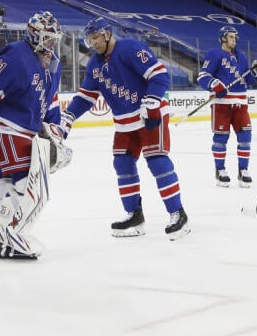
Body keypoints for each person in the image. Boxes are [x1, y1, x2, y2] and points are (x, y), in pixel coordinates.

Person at [60, 17, 190, 240]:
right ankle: (134, 216)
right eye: (89, 40)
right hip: (124, 123)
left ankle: (178, 214)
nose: (93, 44)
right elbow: (86, 96)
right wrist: (69, 116)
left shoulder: (130, 48)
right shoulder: (94, 64)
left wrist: (151, 101)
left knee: (157, 161)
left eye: (95, 38)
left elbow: (158, 74)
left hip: (149, 115)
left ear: (107, 33)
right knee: (122, 163)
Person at [0, 11, 63, 260]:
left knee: (3, 184)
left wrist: (54, 130)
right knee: (29, 185)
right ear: (34, 36)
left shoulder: (52, 64)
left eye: (54, 40)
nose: (52, 45)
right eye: (47, 39)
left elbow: (50, 101)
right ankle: (9, 235)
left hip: (26, 133)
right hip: (9, 130)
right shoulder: (17, 55)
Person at [196, 25, 257, 188]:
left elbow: (248, 81)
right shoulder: (214, 54)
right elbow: (203, 75)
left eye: (235, 37)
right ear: (223, 37)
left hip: (241, 103)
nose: (234, 40)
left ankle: (243, 170)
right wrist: (215, 84)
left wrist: (255, 73)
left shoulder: (242, 56)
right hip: (222, 104)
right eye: (231, 36)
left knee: (245, 137)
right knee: (221, 138)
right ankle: (220, 170)